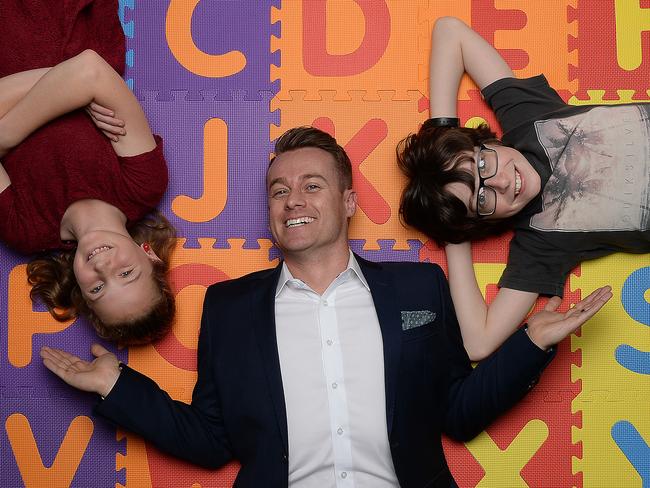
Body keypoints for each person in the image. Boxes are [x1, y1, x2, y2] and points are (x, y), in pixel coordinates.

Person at [41, 126, 611, 488]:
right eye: (279, 189)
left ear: (347, 201)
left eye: (312, 185)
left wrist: (531, 345)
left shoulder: (420, 288)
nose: (293, 199)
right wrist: (118, 387)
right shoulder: (227, 307)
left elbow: (457, 413)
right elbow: (214, 440)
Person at [398, 16, 649, 361]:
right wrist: (456, 233)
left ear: (485, 142)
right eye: (482, 199)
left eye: (483, 165)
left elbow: (450, 32)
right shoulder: (539, 245)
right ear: (483, 222)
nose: (502, 182)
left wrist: (441, 134)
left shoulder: (527, 115)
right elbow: (477, 342)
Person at [0, 0, 175, 345]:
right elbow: (91, 70)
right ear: (148, 255)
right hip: (62, 18)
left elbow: (85, 78)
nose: (103, 268)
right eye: (127, 273)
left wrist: (70, 88)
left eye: (97, 288)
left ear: (79, 290)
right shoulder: (141, 186)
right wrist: (5, 136)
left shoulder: (26, 231)